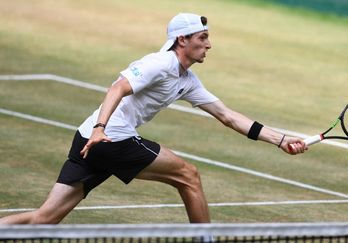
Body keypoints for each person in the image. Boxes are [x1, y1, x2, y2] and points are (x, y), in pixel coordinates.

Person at [0, 13, 307, 224]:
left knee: (45, 219)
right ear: (183, 40)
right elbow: (118, 87)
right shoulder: (159, 63)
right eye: (203, 37)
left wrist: (280, 139)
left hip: (87, 141)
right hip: (108, 137)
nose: (209, 45)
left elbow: (227, 116)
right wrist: (100, 128)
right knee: (189, 176)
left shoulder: (187, 79)